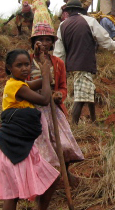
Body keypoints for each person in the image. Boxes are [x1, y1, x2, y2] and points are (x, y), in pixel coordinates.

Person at [0, 49, 60, 210]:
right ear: (8, 69)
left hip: (24, 146)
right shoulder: (14, 86)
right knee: (11, 196)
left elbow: (43, 85)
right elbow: (44, 98)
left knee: (52, 177)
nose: (24, 68)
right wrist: (46, 76)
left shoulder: (21, 85)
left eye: (26, 65)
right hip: (10, 147)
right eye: (19, 65)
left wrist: (43, 65)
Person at [53, 0, 115, 124]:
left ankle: (93, 120)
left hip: (73, 65)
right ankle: (74, 127)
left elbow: (59, 52)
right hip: (84, 64)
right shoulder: (89, 21)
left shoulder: (62, 25)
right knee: (81, 98)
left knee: (89, 90)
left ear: (69, 11)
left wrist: (59, 69)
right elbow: (104, 40)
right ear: (81, 10)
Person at [29, 25, 84, 187]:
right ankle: (44, 182)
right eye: (40, 39)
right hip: (34, 110)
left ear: (52, 43)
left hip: (54, 109)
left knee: (64, 144)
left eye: (48, 39)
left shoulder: (58, 63)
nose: (44, 43)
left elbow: (63, 86)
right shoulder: (27, 61)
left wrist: (59, 95)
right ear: (33, 42)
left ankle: (65, 173)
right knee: (42, 148)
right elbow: (22, 84)